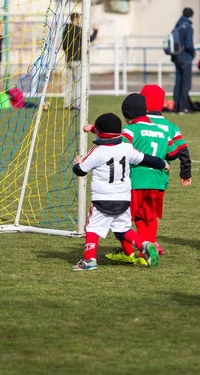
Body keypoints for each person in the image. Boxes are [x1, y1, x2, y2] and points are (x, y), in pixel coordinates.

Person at [72, 113, 169, 271]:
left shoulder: (96, 151)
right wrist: (162, 163)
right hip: (124, 199)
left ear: (99, 133)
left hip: (102, 199)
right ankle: (144, 245)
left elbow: (80, 171)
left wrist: (78, 163)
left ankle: (89, 260)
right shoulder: (127, 148)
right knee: (123, 229)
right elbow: (145, 158)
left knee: (92, 228)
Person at [105, 94, 178, 265]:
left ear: (127, 115)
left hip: (136, 181)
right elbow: (174, 153)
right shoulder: (162, 132)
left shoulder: (131, 130)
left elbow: (118, 146)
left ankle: (128, 252)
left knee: (121, 217)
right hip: (157, 182)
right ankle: (145, 255)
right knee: (148, 218)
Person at [140, 85, 192, 251]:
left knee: (137, 212)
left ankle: (140, 243)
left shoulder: (138, 124)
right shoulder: (170, 126)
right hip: (160, 178)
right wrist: (185, 173)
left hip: (137, 176)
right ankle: (151, 240)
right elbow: (182, 150)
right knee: (151, 212)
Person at [62, 12, 98, 111]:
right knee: (78, 82)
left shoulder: (66, 30)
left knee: (69, 83)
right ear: (76, 19)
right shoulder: (78, 29)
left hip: (68, 60)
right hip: (77, 59)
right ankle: (77, 103)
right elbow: (89, 39)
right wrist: (95, 31)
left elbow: (64, 45)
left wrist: (68, 54)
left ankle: (67, 104)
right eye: (79, 18)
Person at [171, 8, 195, 114]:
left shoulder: (177, 25)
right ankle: (184, 107)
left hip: (176, 57)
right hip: (185, 57)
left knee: (178, 83)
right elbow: (189, 44)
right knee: (186, 83)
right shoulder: (188, 27)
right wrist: (193, 53)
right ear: (191, 16)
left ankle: (176, 106)